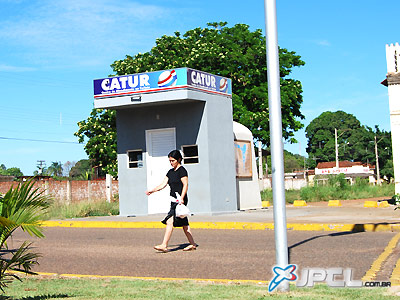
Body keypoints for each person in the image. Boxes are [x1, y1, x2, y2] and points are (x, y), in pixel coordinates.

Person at [145, 150, 196, 252]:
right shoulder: (170, 172)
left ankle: (164, 245)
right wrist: (153, 190)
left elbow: (185, 184)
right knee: (184, 224)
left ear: (179, 160)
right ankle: (192, 244)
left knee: (169, 221)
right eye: (170, 161)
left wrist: (182, 198)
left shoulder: (182, 171)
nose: (171, 163)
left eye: (173, 160)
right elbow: (163, 184)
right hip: (173, 200)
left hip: (180, 200)